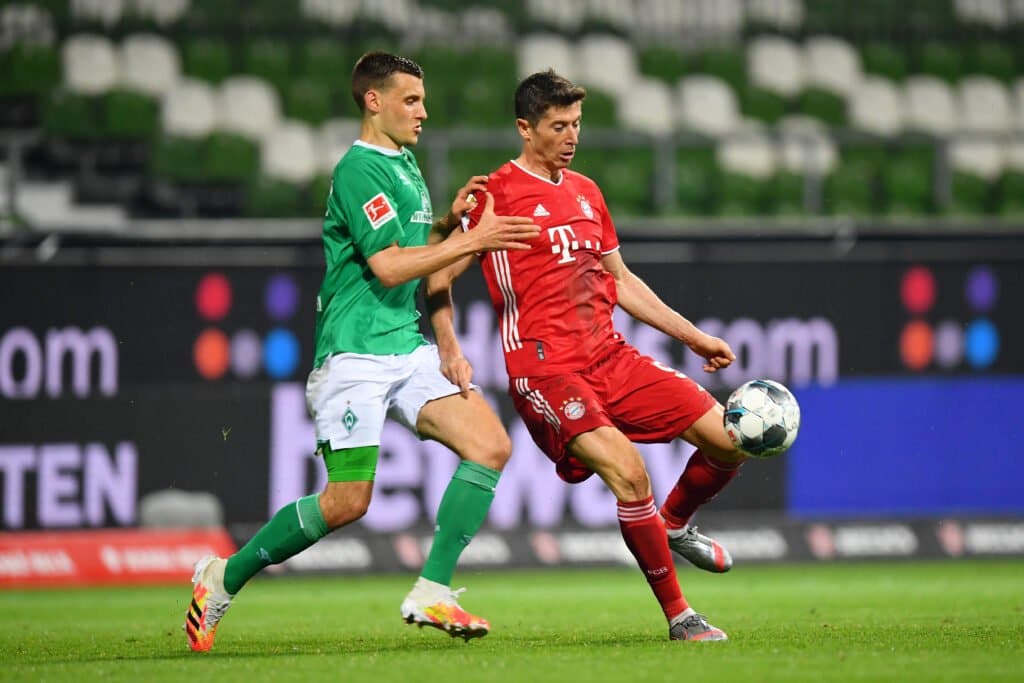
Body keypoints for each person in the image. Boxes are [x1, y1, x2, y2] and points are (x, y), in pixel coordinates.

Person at [183, 51, 540, 652]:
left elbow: (414, 252)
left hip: (405, 347)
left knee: (490, 444)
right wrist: (474, 239)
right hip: (352, 356)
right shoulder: (357, 170)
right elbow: (387, 265)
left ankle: (433, 588)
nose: (423, 113)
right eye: (411, 100)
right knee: (348, 502)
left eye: (423, 101)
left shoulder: (404, 164)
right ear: (373, 101)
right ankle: (223, 576)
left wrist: (449, 226)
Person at [426, 70, 748, 642]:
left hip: (611, 357)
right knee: (629, 474)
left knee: (730, 439)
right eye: (558, 126)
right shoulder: (493, 195)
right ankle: (680, 616)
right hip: (546, 370)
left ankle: (673, 524)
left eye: (576, 124)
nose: (571, 136)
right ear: (526, 128)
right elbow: (438, 277)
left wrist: (693, 335)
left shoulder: (586, 192)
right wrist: (449, 345)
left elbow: (619, 279)